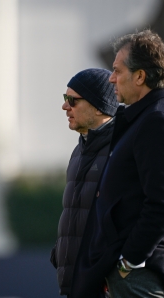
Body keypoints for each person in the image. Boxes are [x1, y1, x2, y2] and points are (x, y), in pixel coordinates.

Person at [71, 29, 164, 297]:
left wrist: (129, 260)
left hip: (139, 274)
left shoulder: (158, 121)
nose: (111, 78)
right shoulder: (153, 116)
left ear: (140, 76)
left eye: (117, 71)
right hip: (135, 273)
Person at [50, 68, 118, 297]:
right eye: (65, 99)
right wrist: (61, 254)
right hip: (75, 285)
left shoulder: (121, 151)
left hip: (104, 287)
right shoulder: (79, 150)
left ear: (99, 107)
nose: (64, 107)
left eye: (73, 100)